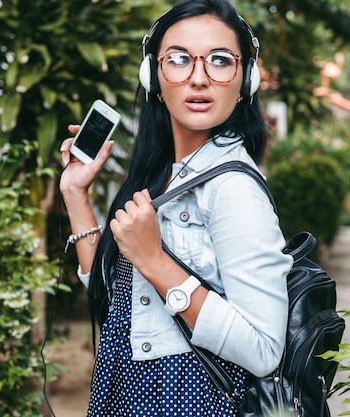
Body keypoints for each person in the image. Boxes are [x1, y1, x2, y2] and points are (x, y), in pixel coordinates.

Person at [59, 0, 292, 415]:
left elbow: (264, 349)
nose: (198, 78)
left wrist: (155, 261)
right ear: (154, 78)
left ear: (246, 81)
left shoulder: (233, 189)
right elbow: (120, 304)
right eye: (179, 59)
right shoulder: (161, 176)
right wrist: (76, 195)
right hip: (126, 396)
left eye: (220, 61)